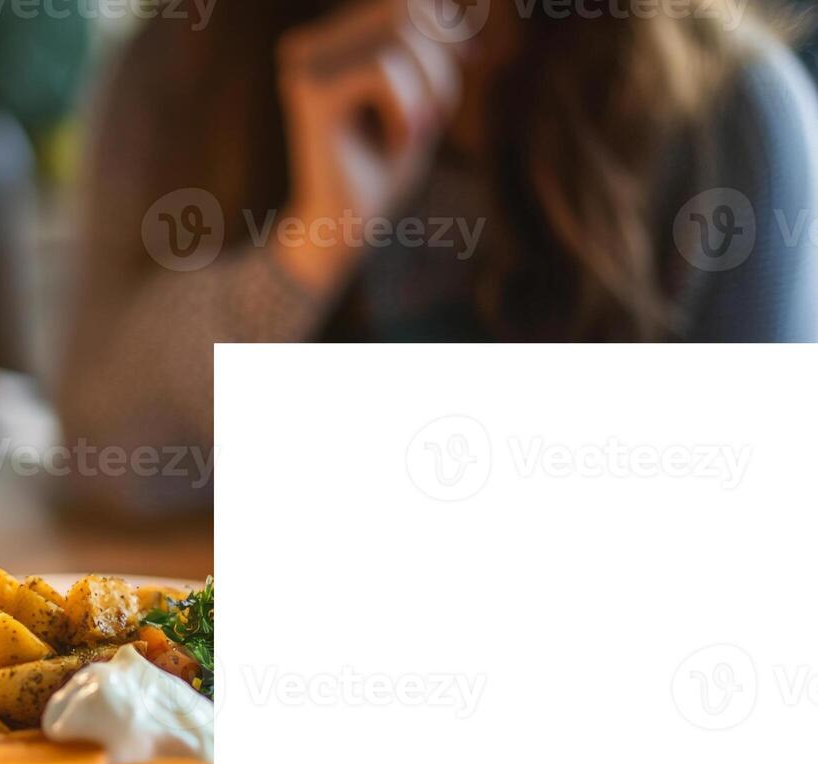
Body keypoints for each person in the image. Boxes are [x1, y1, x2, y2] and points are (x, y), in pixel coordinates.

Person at [56, 0, 818, 512]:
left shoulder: (734, 112)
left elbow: (739, 527)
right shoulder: (181, 63)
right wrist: (312, 240)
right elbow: (107, 457)